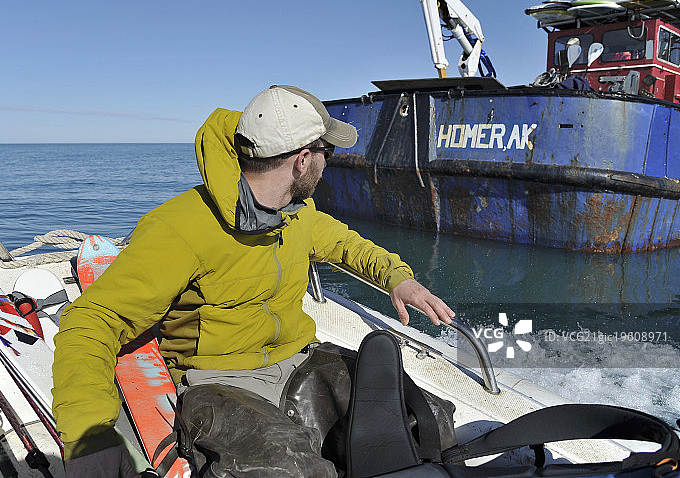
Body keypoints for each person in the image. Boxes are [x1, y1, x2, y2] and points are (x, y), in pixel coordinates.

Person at [52, 85, 455, 477]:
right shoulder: (179, 228)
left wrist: (397, 279)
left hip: (299, 359)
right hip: (218, 381)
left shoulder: (297, 213)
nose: (328, 163)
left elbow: (346, 245)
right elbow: (91, 322)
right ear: (301, 159)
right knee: (293, 468)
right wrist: (90, 438)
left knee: (424, 420)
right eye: (325, 152)